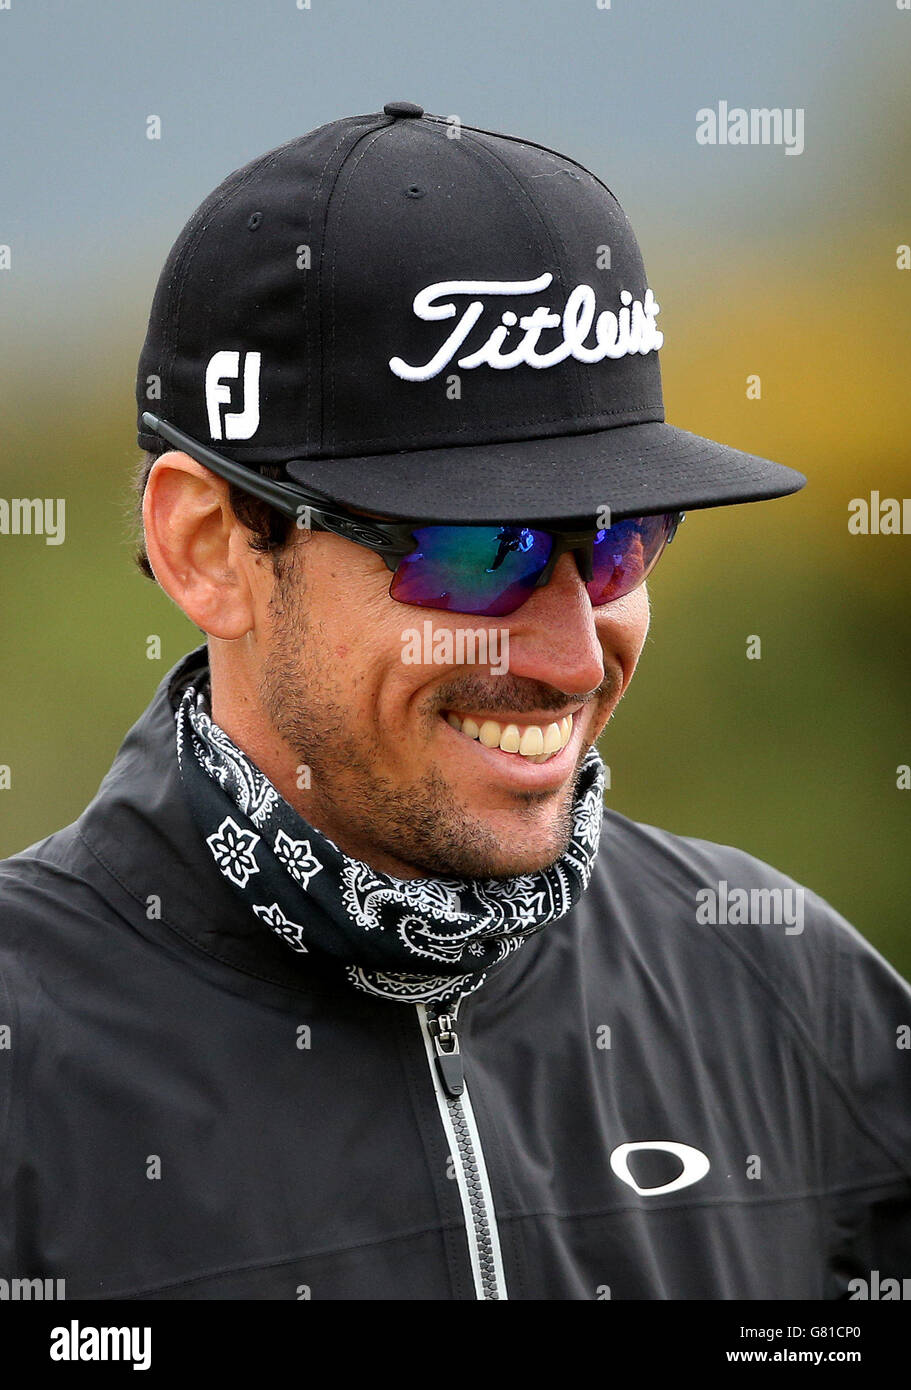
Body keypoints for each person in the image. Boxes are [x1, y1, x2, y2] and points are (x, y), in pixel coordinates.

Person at [1, 102, 908, 1302]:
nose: (573, 653)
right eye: (482, 552)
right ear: (210, 547)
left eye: (620, 543)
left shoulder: (784, 982)